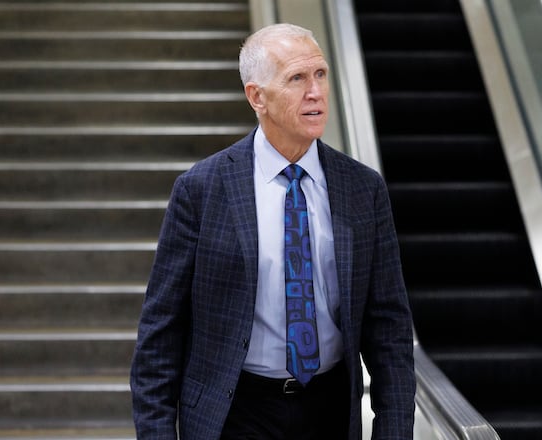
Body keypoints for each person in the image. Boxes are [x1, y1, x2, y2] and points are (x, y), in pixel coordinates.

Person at [129, 22, 416, 440]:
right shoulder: (202, 189)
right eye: (297, 78)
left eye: (320, 74)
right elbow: (161, 331)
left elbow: (389, 326)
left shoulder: (362, 188)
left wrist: (394, 430)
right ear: (256, 97)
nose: (315, 92)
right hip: (236, 412)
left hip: (331, 409)